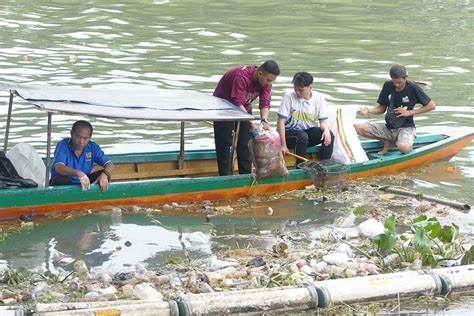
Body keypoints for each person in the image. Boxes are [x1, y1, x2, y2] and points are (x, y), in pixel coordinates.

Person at [213, 60, 280, 176]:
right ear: (260, 74)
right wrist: (252, 123)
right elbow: (237, 101)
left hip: (244, 107)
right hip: (223, 106)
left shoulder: (266, 83)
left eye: (271, 81)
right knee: (225, 144)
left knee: (245, 143)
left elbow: (265, 102)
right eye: (268, 80)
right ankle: (225, 177)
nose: (269, 83)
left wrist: (264, 120)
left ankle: (245, 175)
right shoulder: (242, 76)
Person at [355, 64, 436, 155]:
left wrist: (409, 112)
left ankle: (403, 143)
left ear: (405, 78)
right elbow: (381, 108)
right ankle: (387, 141)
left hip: (406, 128)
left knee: (404, 148)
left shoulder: (413, 88)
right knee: (358, 127)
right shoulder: (388, 85)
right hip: (389, 128)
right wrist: (367, 110)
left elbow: (431, 105)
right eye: (394, 82)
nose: (396, 85)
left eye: (399, 82)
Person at [277, 72, 334, 166]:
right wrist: (283, 145)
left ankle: (325, 165)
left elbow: (323, 121)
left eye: (300, 90)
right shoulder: (288, 97)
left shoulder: (319, 98)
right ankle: (301, 166)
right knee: (302, 136)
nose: (297, 92)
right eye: (295, 89)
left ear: (310, 87)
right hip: (288, 135)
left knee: (329, 135)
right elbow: (281, 122)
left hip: (305, 134)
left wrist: (326, 131)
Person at [50, 120, 114, 191]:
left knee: (105, 174)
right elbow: (58, 167)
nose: (81, 141)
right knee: (62, 179)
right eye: (78, 137)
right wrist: (78, 173)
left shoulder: (92, 147)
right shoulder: (63, 145)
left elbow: (109, 164)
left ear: (89, 137)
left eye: (85, 138)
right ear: (71, 134)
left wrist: (105, 174)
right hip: (65, 182)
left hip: (85, 181)